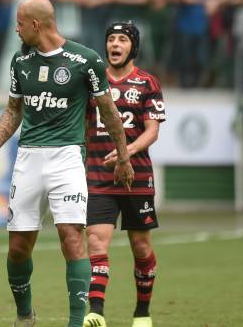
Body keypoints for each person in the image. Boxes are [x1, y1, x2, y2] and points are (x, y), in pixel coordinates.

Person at [0, 0, 133, 327]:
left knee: (71, 235)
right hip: (28, 158)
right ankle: (25, 315)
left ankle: (76, 323)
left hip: (67, 157)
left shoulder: (85, 60)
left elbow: (108, 110)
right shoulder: (20, 62)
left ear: (36, 24)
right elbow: (13, 110)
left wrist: (123, 156)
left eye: (20, 23)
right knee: (19, 246)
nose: (17, 29)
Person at [84, 21, 165, 327]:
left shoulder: (147, 83)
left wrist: (124, 154)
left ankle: (142, 312)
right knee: (96, 242)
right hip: (97, 176)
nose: (115, 45)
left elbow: (152, 131)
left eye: (122, 40)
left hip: (137, 177)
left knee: (141, 247)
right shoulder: (91, 82)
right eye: (111, 39)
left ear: (133, 46)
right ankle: (96, 312)